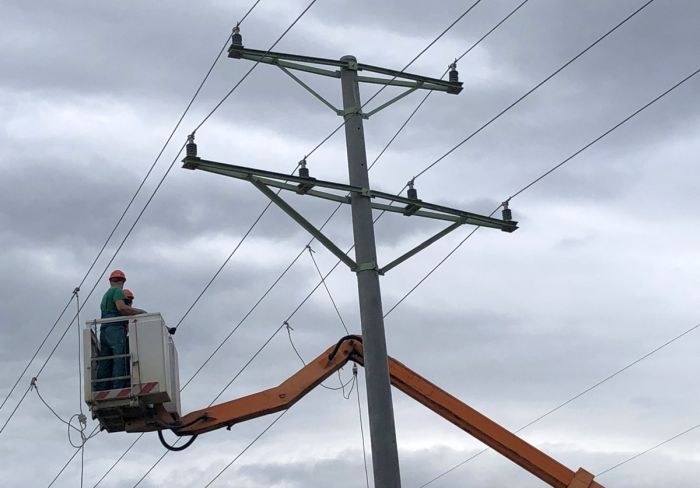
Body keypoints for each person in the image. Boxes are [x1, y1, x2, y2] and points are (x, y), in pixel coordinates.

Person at [95, 270, 139, 391]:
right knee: (120, 357)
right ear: (123, 282)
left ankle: (102, 388)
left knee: (106, 360)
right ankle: (119, 387)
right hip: (115, 328)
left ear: (110, 280)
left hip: (104, 329)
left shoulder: (106, 295)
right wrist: (139, 312)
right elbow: (121, 307)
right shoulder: (117, 291)